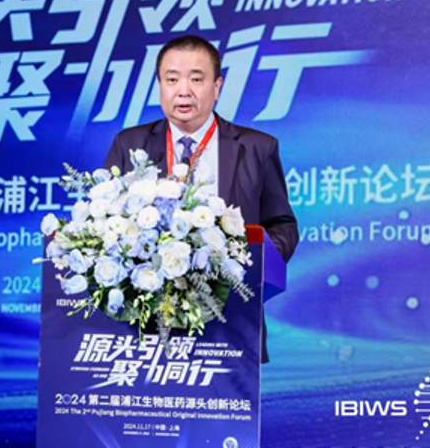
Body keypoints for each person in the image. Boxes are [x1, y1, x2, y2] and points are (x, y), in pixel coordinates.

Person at [103, 34, 298, 363]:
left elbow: (282, 225)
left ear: (217, 86)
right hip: (146, 322)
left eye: (196, 79)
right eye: (172, 80)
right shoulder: (129, 144)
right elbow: (107, 222)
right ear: (160, 86)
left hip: (230, 320)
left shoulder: (257, 148)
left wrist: (246, 266)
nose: (183, 91)